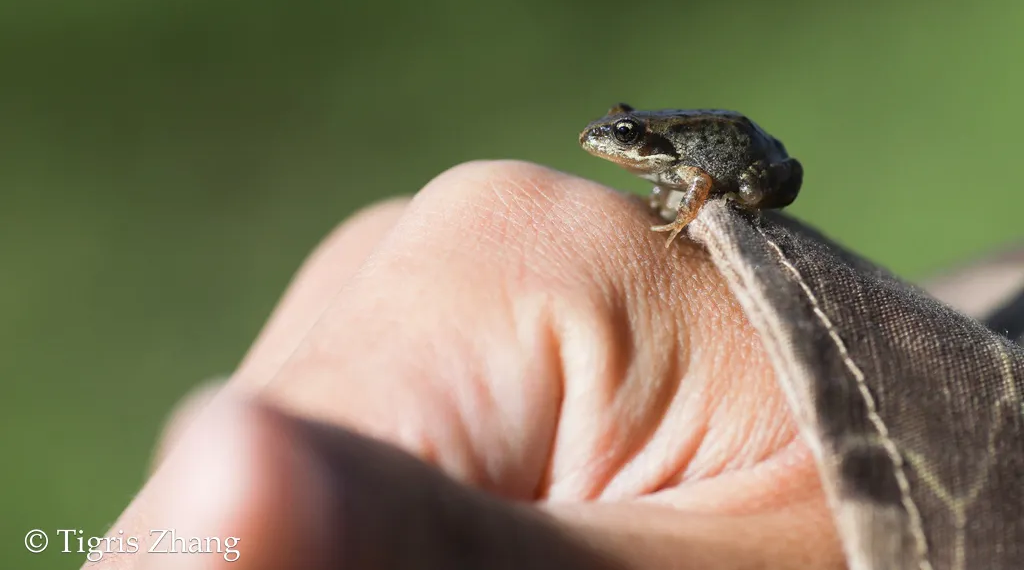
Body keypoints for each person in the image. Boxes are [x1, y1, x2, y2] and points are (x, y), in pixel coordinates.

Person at [90, 161, 843, 569]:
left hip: (751, 166)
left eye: (623, 137)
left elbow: (707, 182)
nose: (604, 144)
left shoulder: (689, 160)